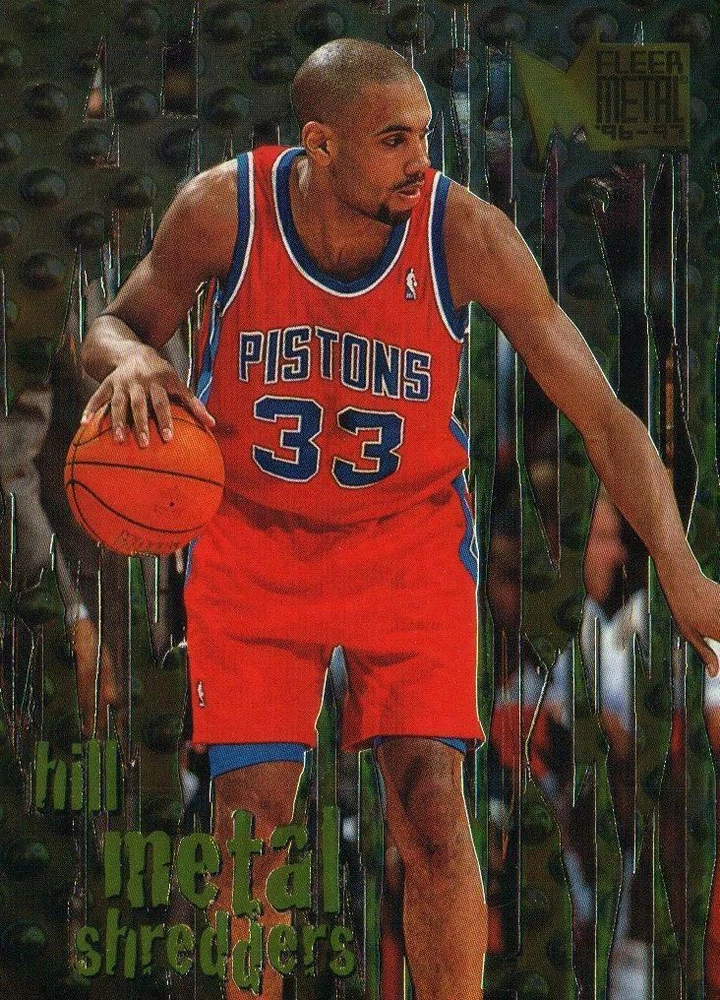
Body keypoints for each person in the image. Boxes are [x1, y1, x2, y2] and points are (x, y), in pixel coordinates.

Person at [79, 38, 720, 1000]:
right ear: (320, 144)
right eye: (393, 139)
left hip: (406, 544)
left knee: (431, 810)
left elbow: (604, 415)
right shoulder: (223, 208)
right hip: (253, 542)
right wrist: (130, 356)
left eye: (424, 133)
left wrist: (682, 569)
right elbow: (111, 324)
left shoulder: (465, 234)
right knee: (250, 821)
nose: (421, 158)